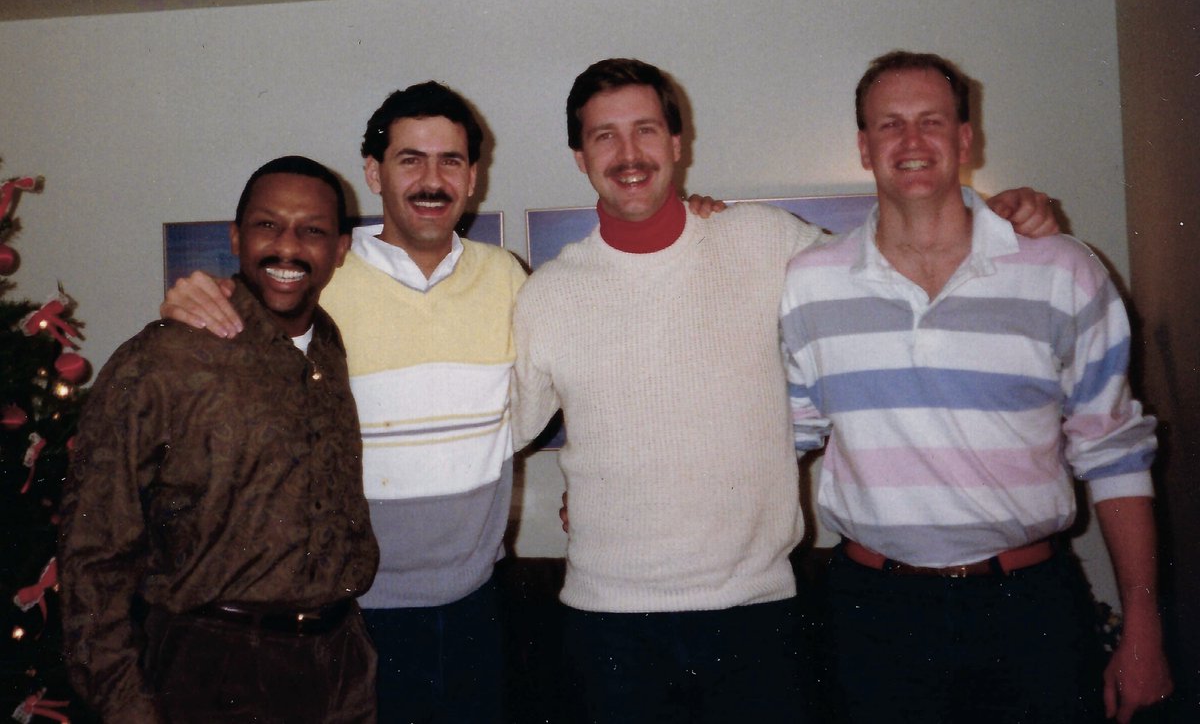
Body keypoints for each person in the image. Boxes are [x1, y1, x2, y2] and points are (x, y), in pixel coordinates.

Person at [510, 57, 1058, 724]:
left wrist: (990, 214)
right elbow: (500, 433)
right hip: (609, 625)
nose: (629, 154)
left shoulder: (764, 239)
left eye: (647, 130)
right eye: (604, 136)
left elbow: (882, 267)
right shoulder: (546, 296)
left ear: (678, 144)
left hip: (758, 616)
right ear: (578, 155)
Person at [779, 50, 1173, 724]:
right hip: (872, 615)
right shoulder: (809, 281)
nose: (911, 141)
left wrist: (1144, 625)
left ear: (966, 138)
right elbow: (774, 440)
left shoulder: (1062, 270)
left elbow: (1114, 453)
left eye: (932, 121)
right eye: (890, 124)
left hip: (1028, 609)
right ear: (864, 146)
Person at [161, 82, 527, 723]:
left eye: (451, 161)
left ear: (474, 177)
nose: (431, 179)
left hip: (477, 604)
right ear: (374, 173)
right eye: (410, 159)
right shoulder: (320, 274)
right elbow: (226, 331)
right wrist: (190, 301)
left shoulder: (507, 278)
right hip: (351, 610)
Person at [58, 155, 379, 723]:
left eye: (312, 230)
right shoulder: (165, 358)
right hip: (213, 670)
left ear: (339, 249)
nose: (287, 246)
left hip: (339, 665)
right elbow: (93, 553)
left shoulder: (328, 347)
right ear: (235, 237)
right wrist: (126, 707)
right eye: (267, 225)